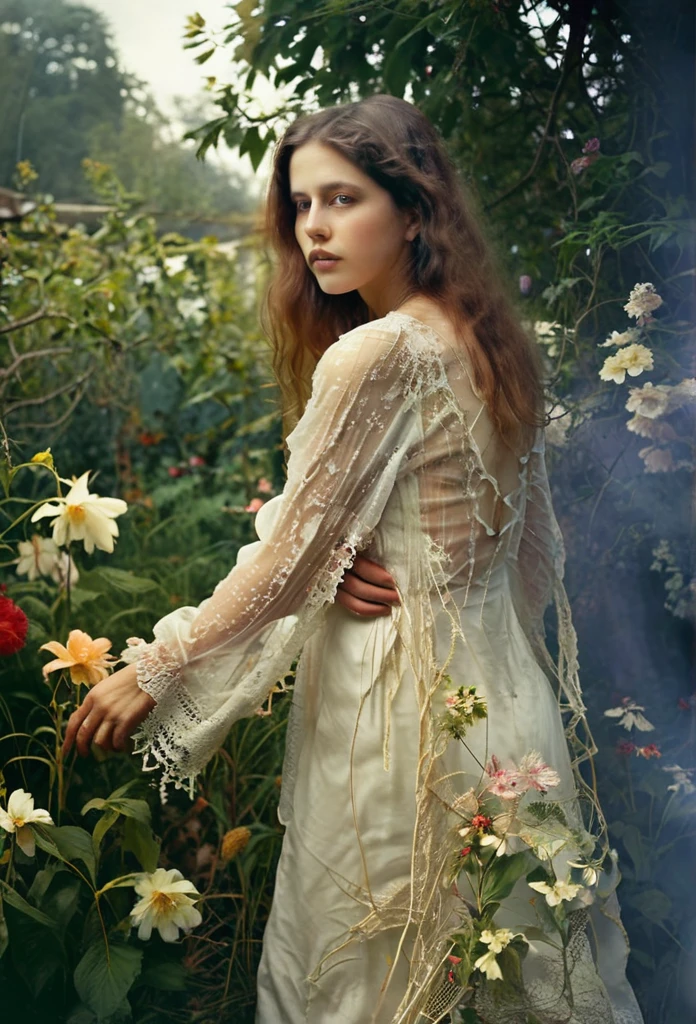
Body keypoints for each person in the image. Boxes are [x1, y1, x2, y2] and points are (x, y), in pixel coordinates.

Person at [63, 95, 644, 1024]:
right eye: (300, 206)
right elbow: (526, 559)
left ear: (414, 211)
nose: (314, 229)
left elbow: (287, 556)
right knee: (508, 962)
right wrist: (362, 565)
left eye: (342, 200)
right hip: (503, 712)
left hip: (394, 710)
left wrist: (155, 667)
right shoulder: (495, 343)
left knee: (371, 980)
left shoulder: (378, 352)